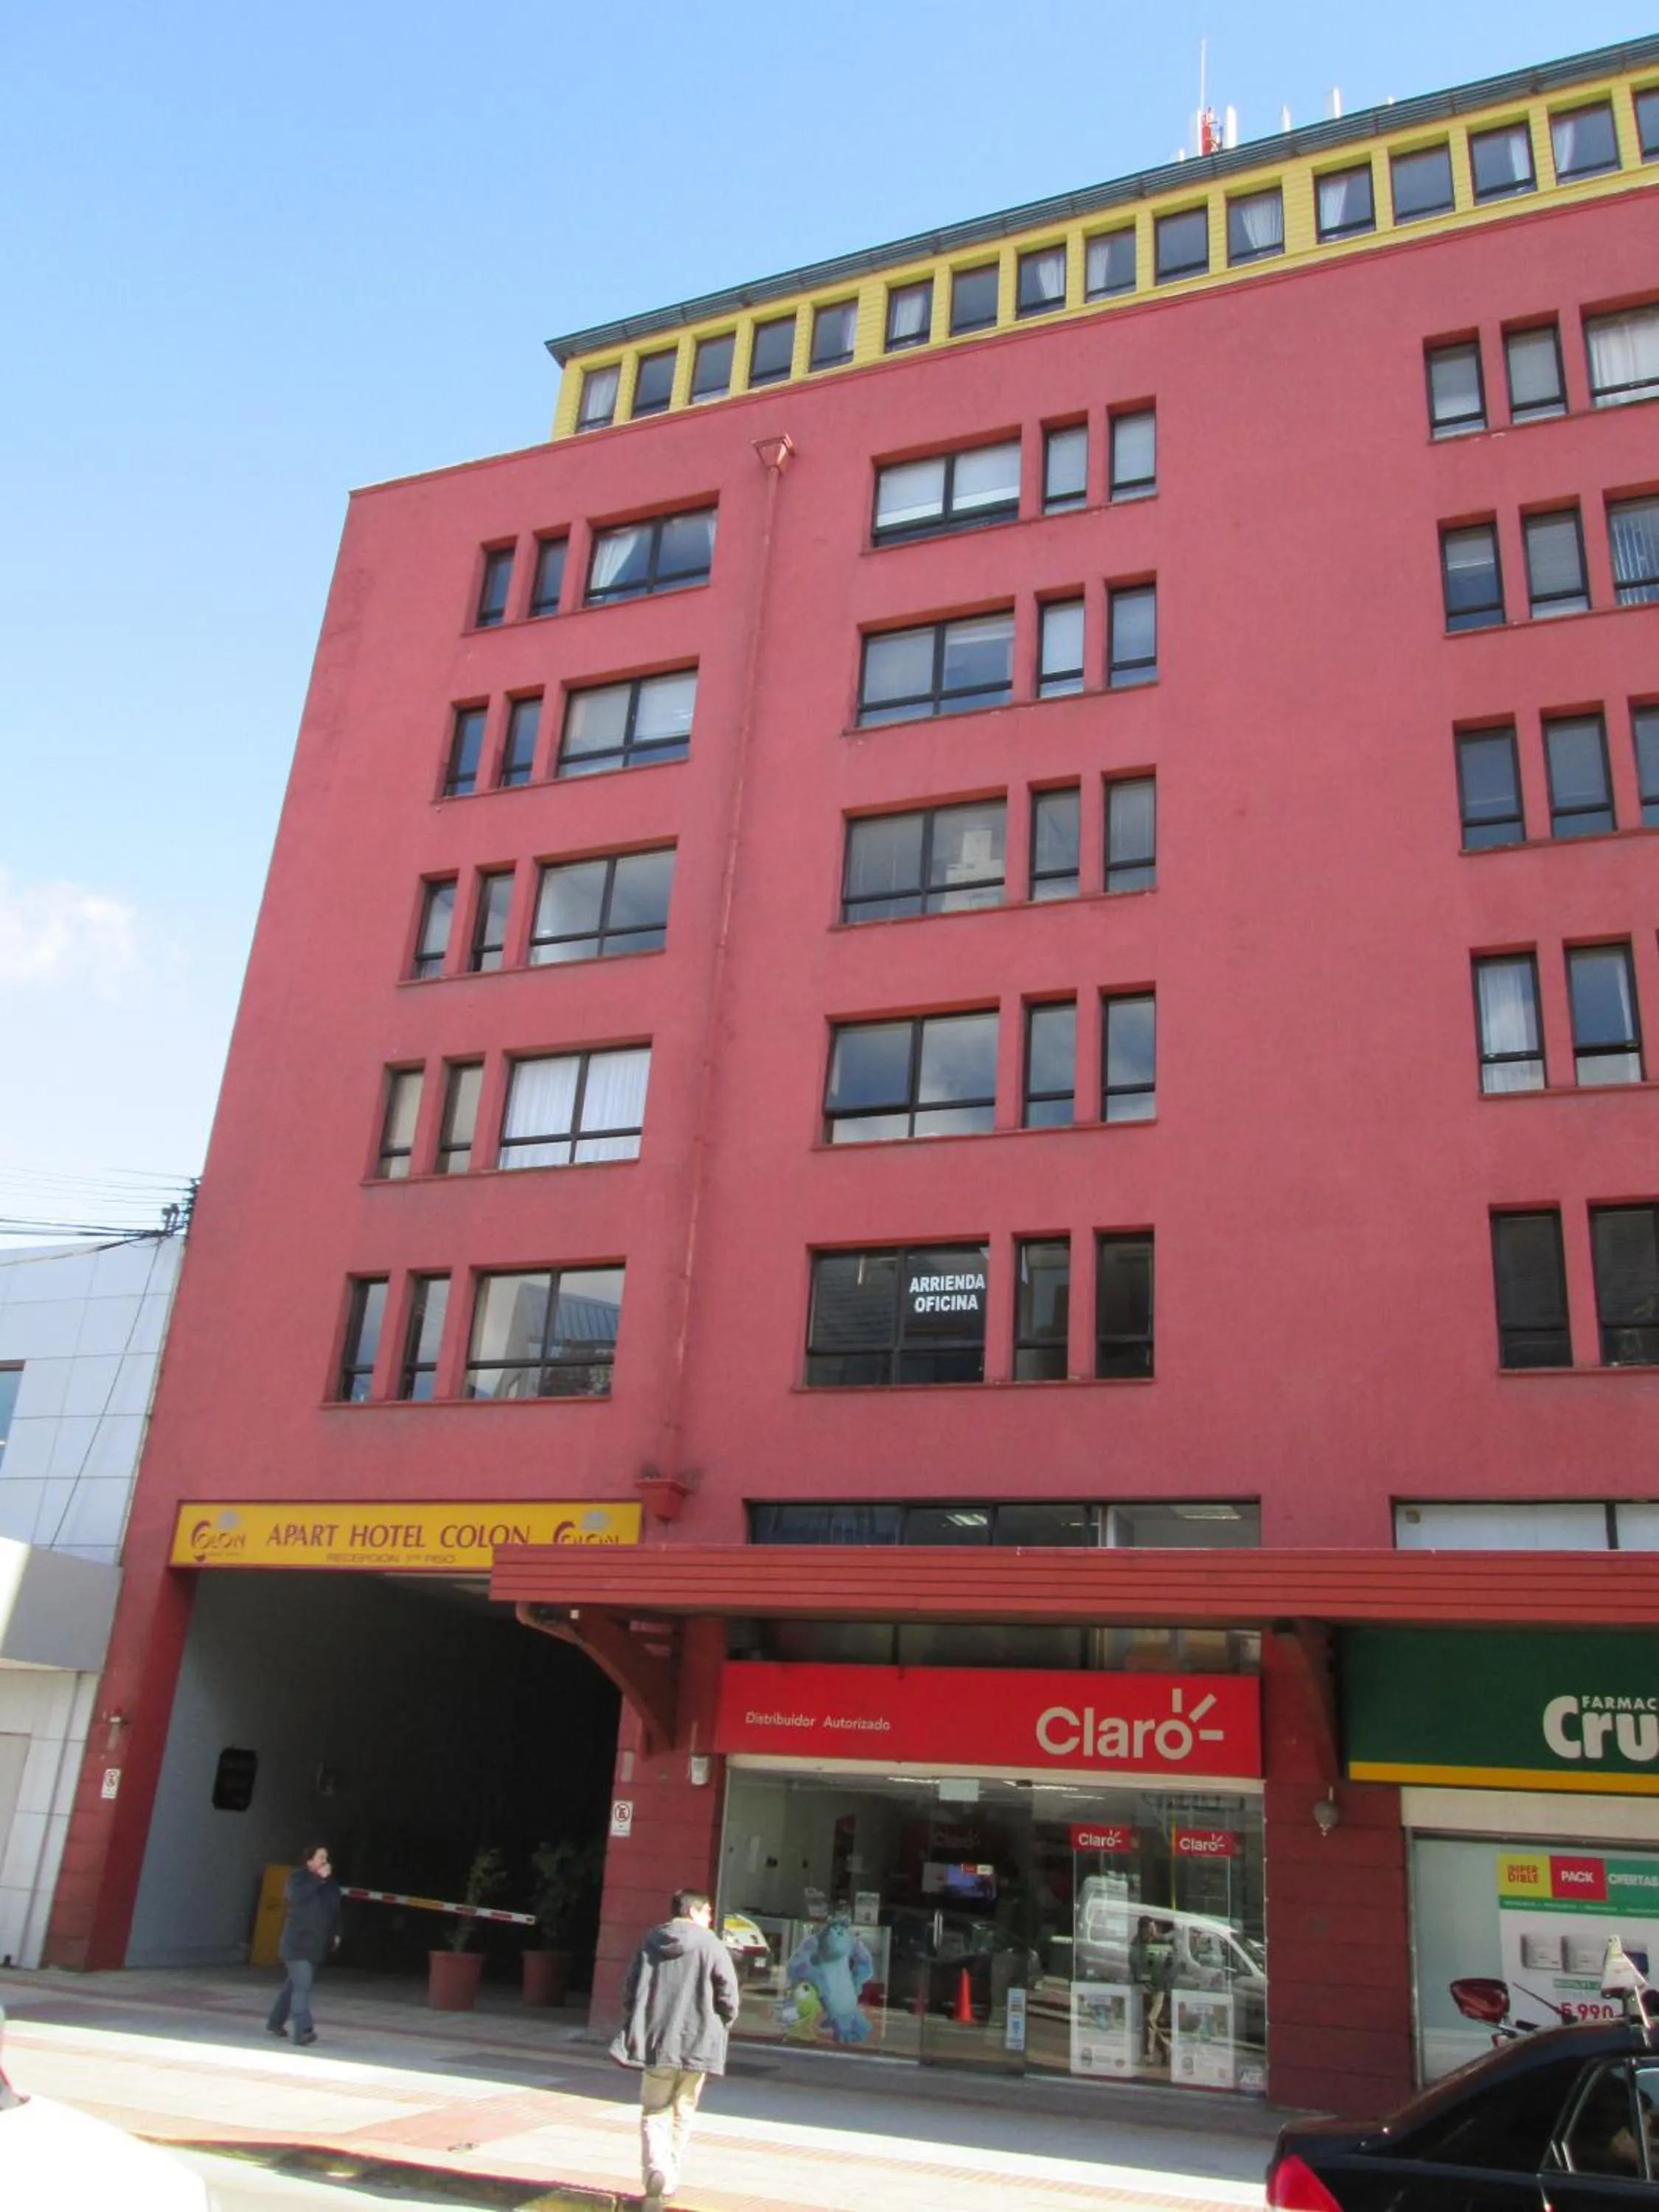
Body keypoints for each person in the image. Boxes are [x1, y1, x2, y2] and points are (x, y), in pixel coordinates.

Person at [610, 1888, 739, 2211]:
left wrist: (639, 2021)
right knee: (683, 2112)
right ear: (693, 1912)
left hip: (657, 2042)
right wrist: (721, 2024)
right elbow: (729, 1997)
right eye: (708, 1911)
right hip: (697, 2044)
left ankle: (656, 2170)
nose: (710, 1917)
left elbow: (629, 1989)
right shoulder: (711, 1945)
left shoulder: (651, 1941)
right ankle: (669, 2180)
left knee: (655, 2111)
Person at [265, 1843, 341, 2047]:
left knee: (293, 1986)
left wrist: (336, 1933)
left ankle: (275, 2023)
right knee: (303, 1988)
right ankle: (303, 2031)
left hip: (316, 1944)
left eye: (326, 1857)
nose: (325, 1861)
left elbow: (335, 1909)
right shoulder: (298, 1879)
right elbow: (297, 1898)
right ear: (309, 1862)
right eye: (321, 1858)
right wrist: (318, 1879)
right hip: (297, 1944)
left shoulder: (329, 1884)